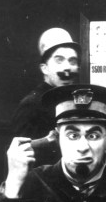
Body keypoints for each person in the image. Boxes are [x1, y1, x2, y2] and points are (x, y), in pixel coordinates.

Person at [11, 27, 80, 165]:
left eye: (72, 61)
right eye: (59, 60)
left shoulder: (72, 98)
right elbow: (20, 155)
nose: (67, 67)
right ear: (45, 68)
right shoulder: (32, 104)